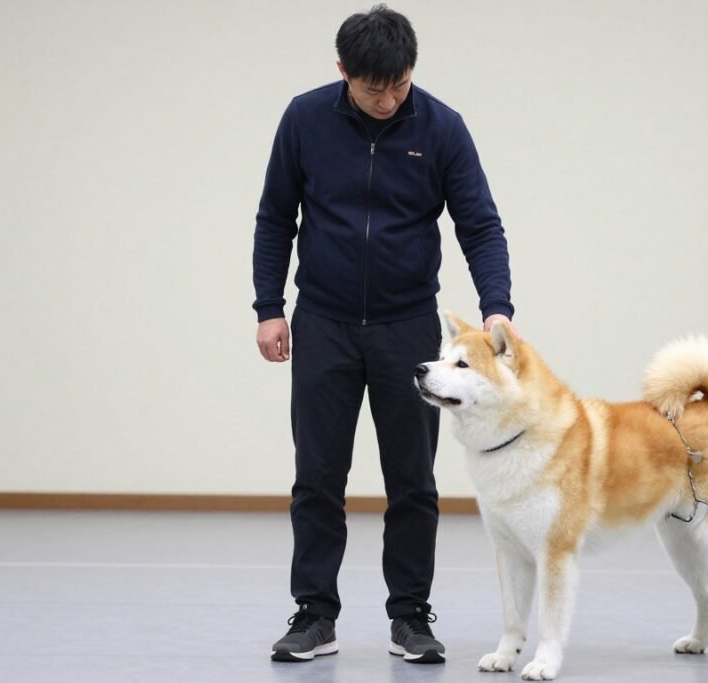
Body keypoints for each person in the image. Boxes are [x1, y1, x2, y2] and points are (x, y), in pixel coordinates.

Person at [253, 4, 514, 665]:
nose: (388, 98)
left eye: (399, 84)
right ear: (343, 72)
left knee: (413, 481)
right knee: (317, 476)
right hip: (324, 323)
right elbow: (275, 216)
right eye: (374, 88)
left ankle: (411, 617)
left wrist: (496, 305)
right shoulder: (305, 118)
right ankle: (314, 614)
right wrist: (268, 306)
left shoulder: (442, 126)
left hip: (405, 328)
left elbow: (479, 223)